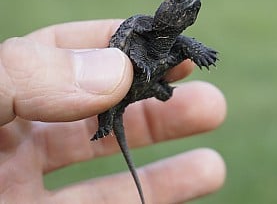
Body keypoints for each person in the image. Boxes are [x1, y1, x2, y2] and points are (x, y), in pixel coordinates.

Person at [0, 20, 227, 203]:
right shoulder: (144, 30)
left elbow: (188, 46)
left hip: (148, 83)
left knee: (161, 92)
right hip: (123, 87)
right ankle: (106, 124)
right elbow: (135, 51)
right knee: (110, 104)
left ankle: (156, 93)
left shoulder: (178, 44)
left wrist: (200, 52)